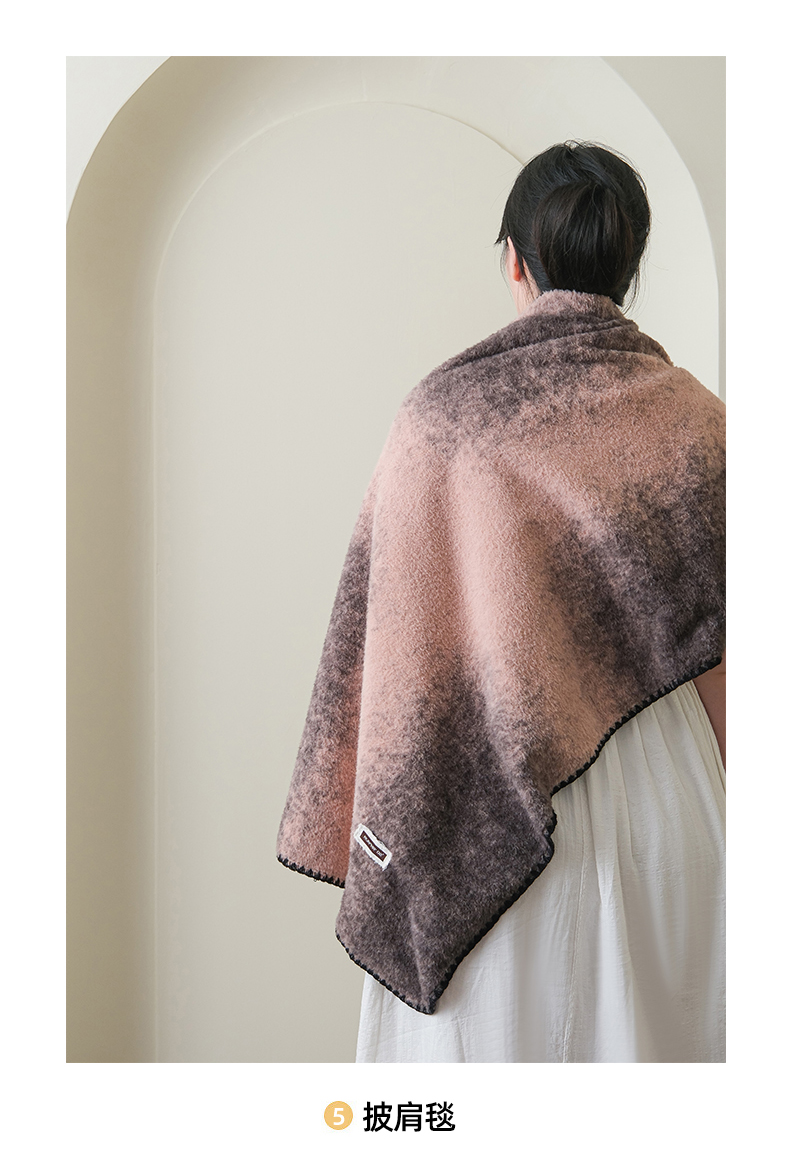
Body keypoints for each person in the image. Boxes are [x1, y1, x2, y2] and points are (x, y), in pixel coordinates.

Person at [349, 142, 725, 1063]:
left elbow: (402, 664)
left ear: (514, 259)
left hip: (487, 815)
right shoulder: (703, 423)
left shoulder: (442, 419)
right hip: (672, 808)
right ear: (629, 264)